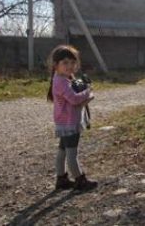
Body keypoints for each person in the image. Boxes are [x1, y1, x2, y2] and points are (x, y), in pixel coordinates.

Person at [46, 45, 98, 191]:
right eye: (65, 63)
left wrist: (84, 87)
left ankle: (61, 178)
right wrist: (88, 92)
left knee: (62, 150)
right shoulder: (62, 81)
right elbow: (74, 99)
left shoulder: (62, 78)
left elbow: (75, 91)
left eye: (72, 62)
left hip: (63, 122)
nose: (70, 66)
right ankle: (79, 180)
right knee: (72, 153)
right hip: (69, 122)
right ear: (56, 65)